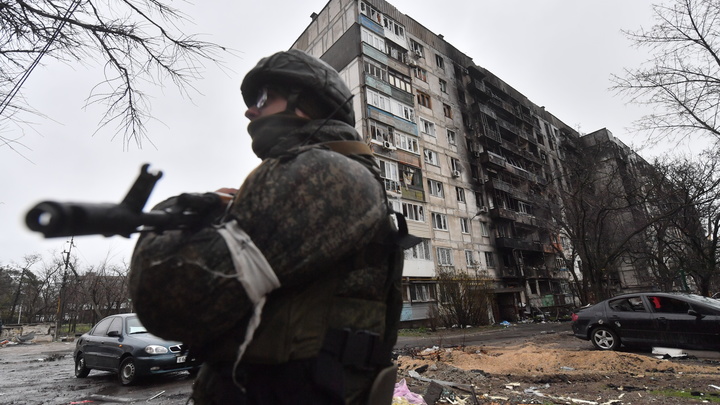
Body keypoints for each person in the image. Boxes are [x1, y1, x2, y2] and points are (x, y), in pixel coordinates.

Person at [129, 49, 417, 405]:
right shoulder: (331, 171)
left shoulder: (323, 173)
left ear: (304, 102)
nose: (250, 110)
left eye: (264, 97)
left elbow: (170, 301)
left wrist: (175, 212)